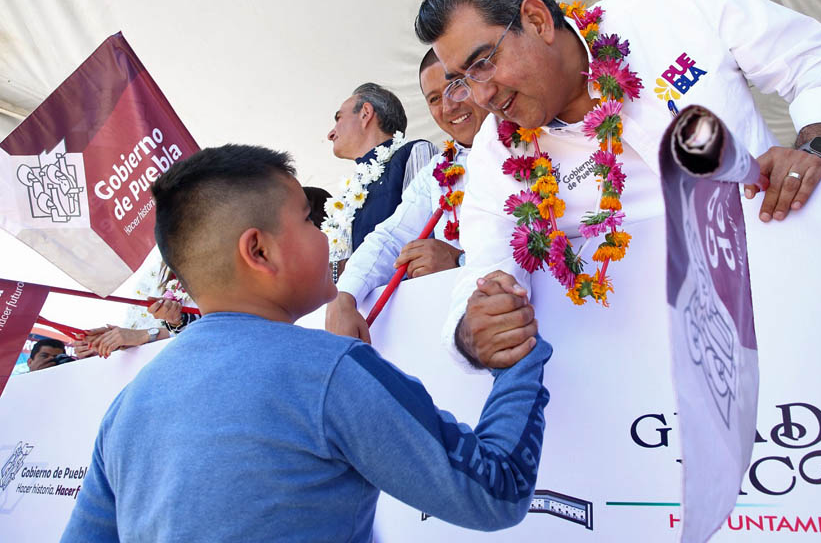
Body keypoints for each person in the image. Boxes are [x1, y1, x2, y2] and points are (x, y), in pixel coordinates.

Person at [61, 144, 551, 542]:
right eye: (310, 221)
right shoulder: (330, 369)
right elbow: (494, 491)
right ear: (259, 250)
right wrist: (518, 354)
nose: (327, 240)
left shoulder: (128, 406)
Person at [414, 0, 821, 370]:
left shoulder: (665, 6)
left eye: (483, 64)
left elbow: (813, 60)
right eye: (461, 81)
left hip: (804, 288)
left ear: (536, 21)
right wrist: (471, 332)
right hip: (667, 369)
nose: (480, 95)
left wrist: (818, 150)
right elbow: (487, 265)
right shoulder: (498, 152)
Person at [325, 49, 488, 342]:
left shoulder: (535, 139)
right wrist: (344, 294)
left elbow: (560, 242)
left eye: (457, 85)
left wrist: (461, 263)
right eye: (435, 99)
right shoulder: (441, 168)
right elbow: (391, 237)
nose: (449, 106)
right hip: (444, 323)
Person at [324, 82, 437, 275]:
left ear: (365, 113)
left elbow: (423, 236)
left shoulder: (415, 152)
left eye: (339, 118)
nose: (330, 134)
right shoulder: (349, 196)